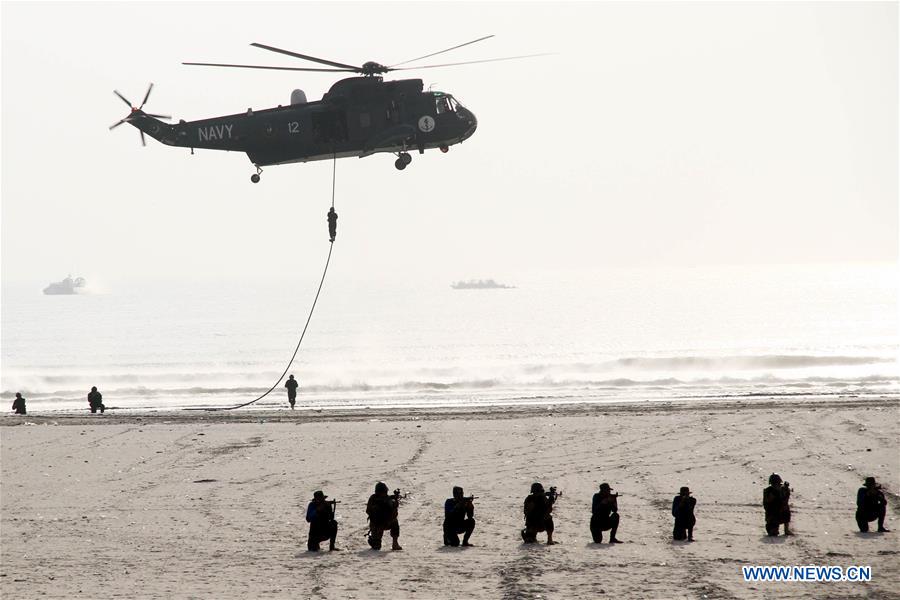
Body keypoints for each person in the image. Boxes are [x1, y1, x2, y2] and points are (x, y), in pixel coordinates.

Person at [366, 482, 402, 551]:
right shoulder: (388, 500)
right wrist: (395, 504)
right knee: (395, 521)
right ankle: (395, 543)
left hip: (375, 525)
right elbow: (394, 514)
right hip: (383, 524)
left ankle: (377, 539)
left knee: (376, 546)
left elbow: (368, 511)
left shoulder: (373, 498)